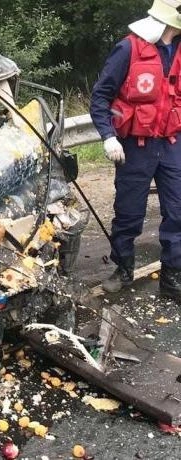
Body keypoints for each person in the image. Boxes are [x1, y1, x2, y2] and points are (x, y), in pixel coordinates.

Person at [90, 0, 181, 299]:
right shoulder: (128, 49)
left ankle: (172, 278)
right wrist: (108, 136)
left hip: (171, 144)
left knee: (178, 212)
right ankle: (123, 268)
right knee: (128, 213)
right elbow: (100, 97)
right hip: (135, 147)